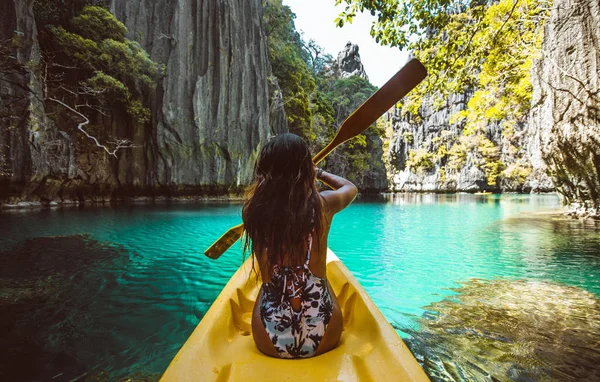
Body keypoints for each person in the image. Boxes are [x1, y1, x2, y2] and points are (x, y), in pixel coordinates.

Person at [242, 133, 358, 359]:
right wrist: (319, 172)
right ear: (305, 169)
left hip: (268, 339)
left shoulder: (252, 211)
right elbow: (350, 187)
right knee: (323, 282)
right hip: (325, 336)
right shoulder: (323, 205)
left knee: (267, 286)